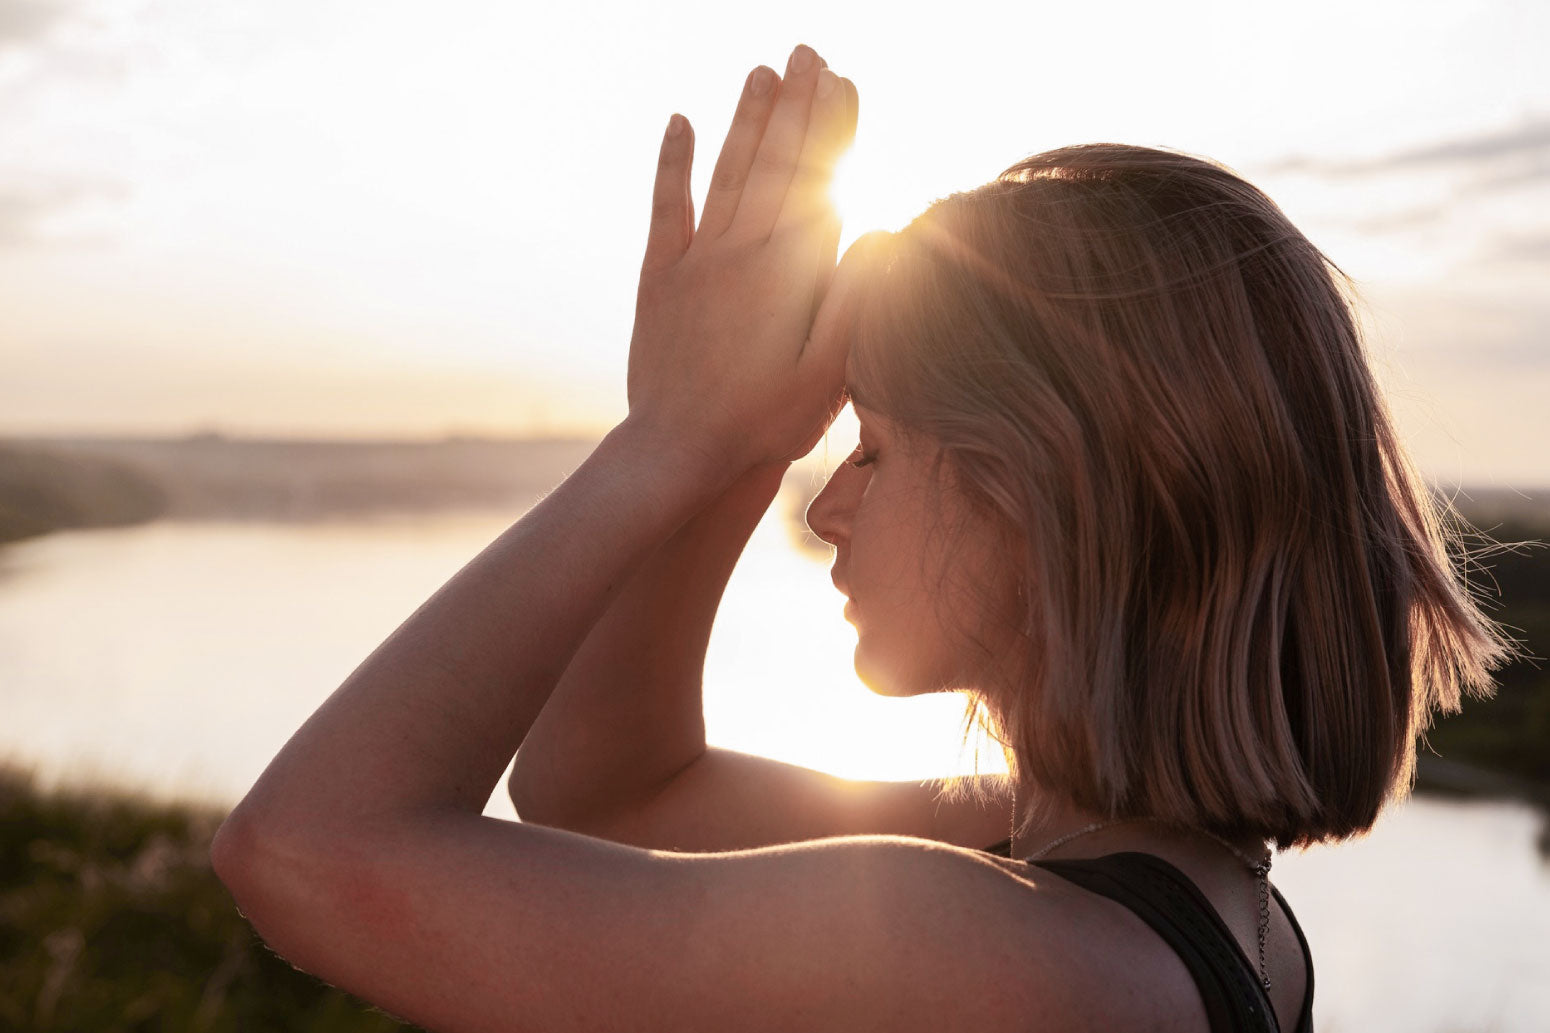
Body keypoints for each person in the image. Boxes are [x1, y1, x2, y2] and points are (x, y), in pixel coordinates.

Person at [211, 43, 1508, 1033]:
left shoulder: (996, 954)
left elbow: (309, 852)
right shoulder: (1175, 898)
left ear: (1042, 493)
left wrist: (666, 445)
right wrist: (726, 447)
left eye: (873, 447)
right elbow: (610, 792)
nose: (825, 502)